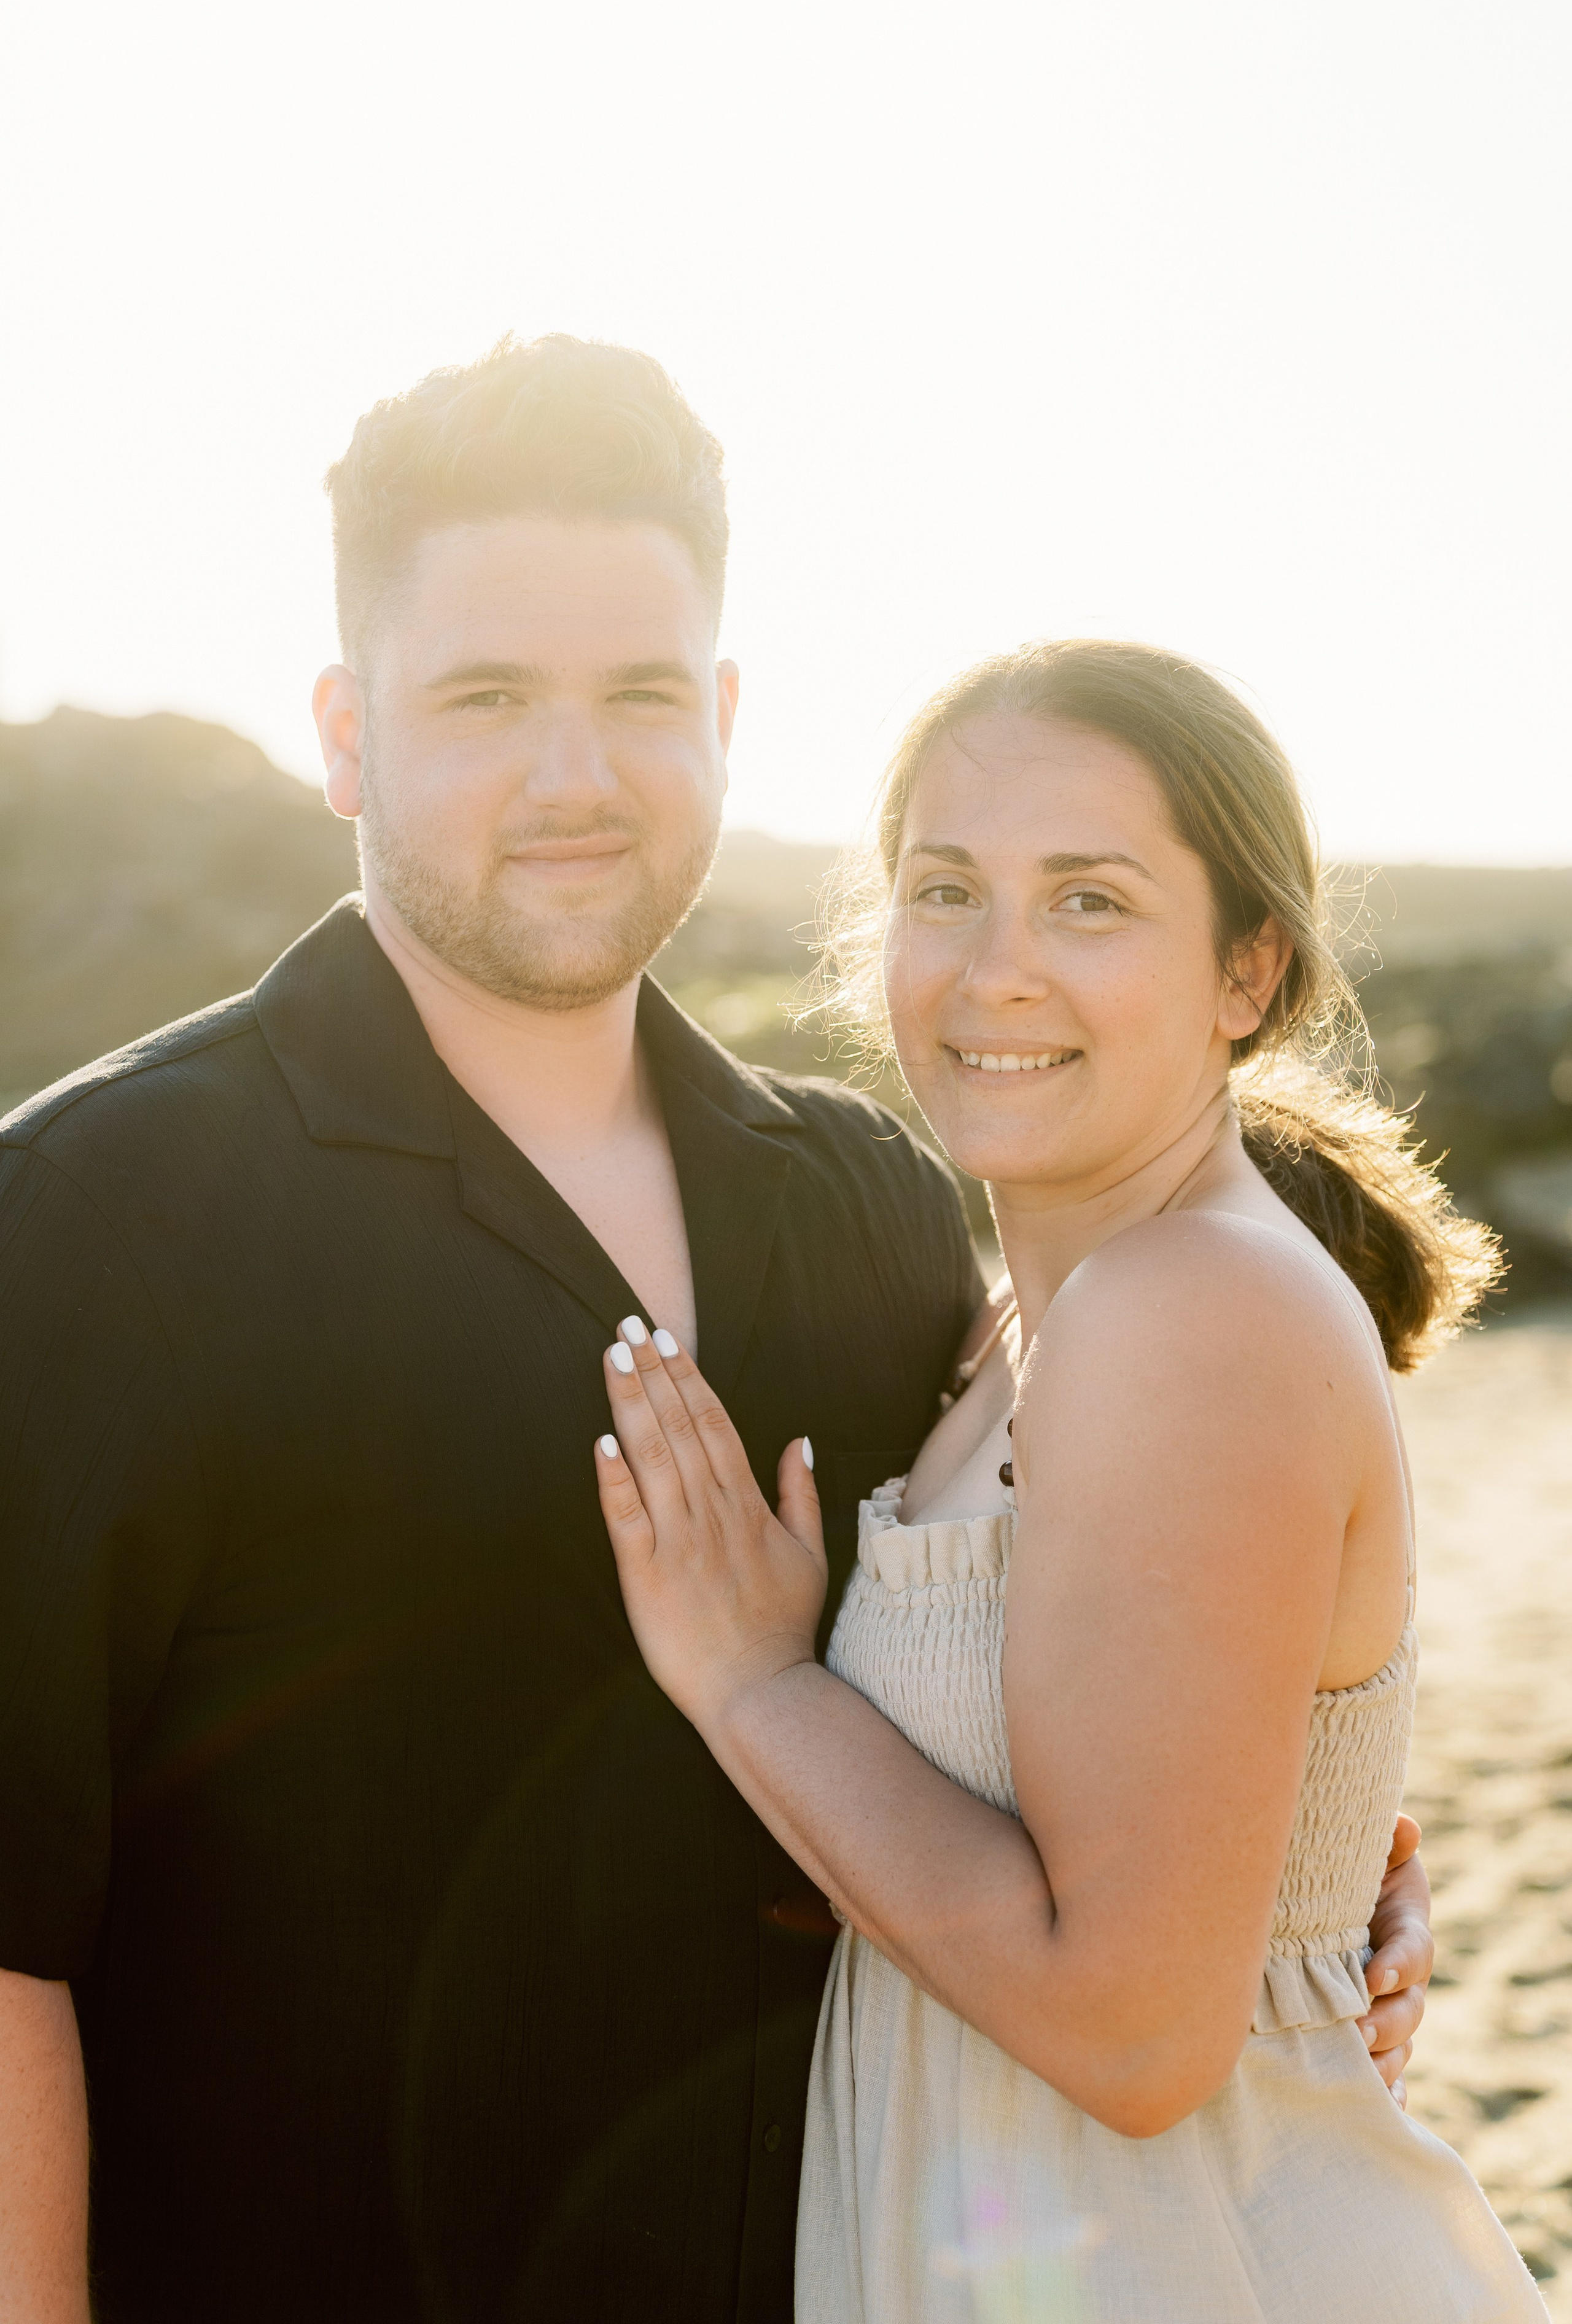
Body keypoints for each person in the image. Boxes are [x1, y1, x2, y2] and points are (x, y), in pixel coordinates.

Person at [0, 343, 1428, 2323]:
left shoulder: (867, 1215)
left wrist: (1321, 1849)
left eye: (642, 696)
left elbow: (1100, 1675)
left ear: (729, 722)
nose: (574, 775)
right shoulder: (91, 1223)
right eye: (487, 698)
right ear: (346, 736)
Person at [591, 641, 1544, 2320]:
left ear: (1248, 971)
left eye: (1089, 903)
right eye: (946, 891)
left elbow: (1134, 2031)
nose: (996, 970)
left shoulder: (1189, 1308)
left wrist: (754, 1687)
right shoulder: (1023, 1324)